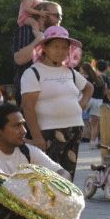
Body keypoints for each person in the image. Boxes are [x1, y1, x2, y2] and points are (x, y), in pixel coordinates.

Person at [18, 26, 91, 178]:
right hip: (49, 132)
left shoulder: (69, 71)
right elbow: (28, 107)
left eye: (65, 47)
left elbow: (89, 88)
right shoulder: (33, 72)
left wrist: (81, 105)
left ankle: (69, 203)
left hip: (74, 130)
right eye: (56, 46)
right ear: (45, 47)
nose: (61, 51)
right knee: (51, 179)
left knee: (68, 177)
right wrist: (37, 137)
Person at [0, 102, 66, 178]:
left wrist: (61, 185)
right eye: (17, 126)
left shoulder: (27, 150)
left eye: (23, 125)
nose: (24, 131)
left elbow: (62, 172)